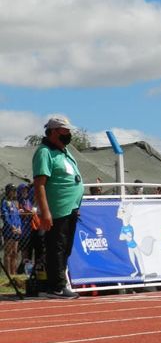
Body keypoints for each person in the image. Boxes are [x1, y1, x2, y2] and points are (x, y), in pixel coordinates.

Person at [32, 116, 84, 299]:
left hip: (70, 209)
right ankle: (56, 287)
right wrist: (45, 212)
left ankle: (58, 283)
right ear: (54, 132)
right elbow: (39, 184)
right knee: (57, 248)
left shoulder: (64, 151)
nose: (69, 134)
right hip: (57, 210)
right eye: (65, 130)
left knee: (65, 248)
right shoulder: (44, 152)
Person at [2, 184, 22, 278]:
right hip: (9, 231)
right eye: (12, 190)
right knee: (8, 253)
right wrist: (12, 227)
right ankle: (7, 275)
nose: (14, 192)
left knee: (15, 253)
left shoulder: (15, 203)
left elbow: (18, 217)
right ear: (8, 191)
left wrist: (19, 227)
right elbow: (5, 216)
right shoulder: (4, 202)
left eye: (15, 191)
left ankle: (14, 274)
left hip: (17, 231)